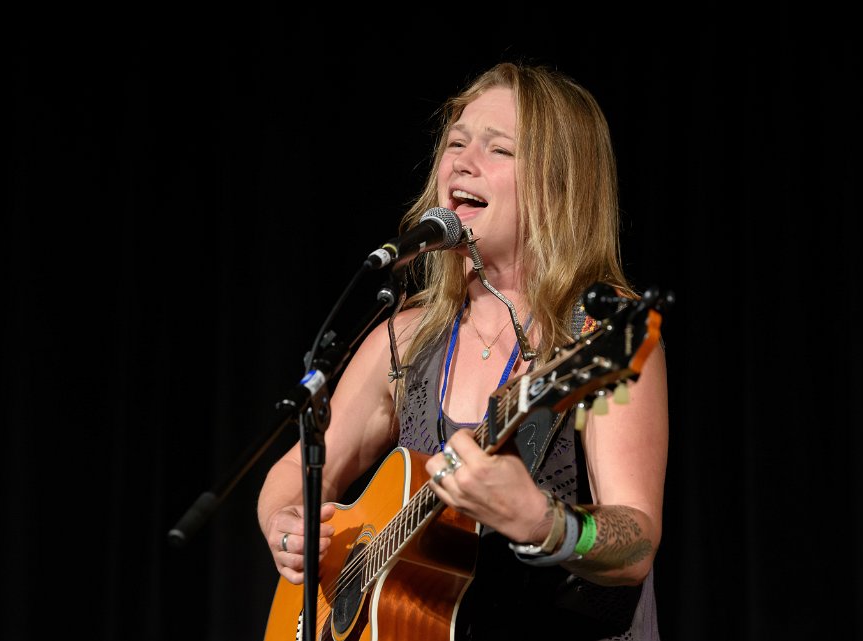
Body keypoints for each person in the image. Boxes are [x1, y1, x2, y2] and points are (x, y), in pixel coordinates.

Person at [257, 61, 668, 641]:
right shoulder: (408, 334)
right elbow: (291, 475)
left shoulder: (601, 328)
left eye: (499, 150)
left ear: (559, 184)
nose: (462, 161)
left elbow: (637, 541)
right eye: (455, 142)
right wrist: (286, 525)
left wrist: (542, 523)